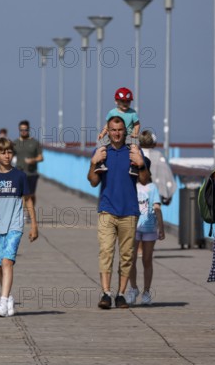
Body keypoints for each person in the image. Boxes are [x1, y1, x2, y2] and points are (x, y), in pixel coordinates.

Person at [87, 115, 149, 310]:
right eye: (113, 130)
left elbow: (145, 180)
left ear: (125, 132)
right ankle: (106, 293)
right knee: (106, 252)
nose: (116, 133)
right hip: (107, 209)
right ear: (109, 131)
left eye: (120, 130)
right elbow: (93, 181)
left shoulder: (134, 152)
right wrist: (93, 163)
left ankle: (121, 294)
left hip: (130, 211)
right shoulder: (101, 152)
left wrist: (141, 163)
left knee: (127, 255)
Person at [0, 137, 38, 316]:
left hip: (15, 224)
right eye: (3, 152)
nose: (7, 155)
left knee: (7, 262)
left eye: (9, 152)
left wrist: (33, 225)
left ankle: (3, 302)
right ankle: (8, 298)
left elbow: (28, 200)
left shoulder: (19, 175)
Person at [125, 158, 165, 306]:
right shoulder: (131, 185)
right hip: (133, 227)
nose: (139, 172)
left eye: (142, 169)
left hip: (149, 228)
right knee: (131, 259)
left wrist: (161, 227)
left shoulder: (152, 188)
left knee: (147, 260)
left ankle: (147, 291)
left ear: (148, 171)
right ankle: (133, 288)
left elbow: (157, 207)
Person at [95, 87, 141, 176]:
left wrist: (135, 133)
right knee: (101, 144)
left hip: (128, 136)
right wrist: (103, 133)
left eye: (127, 101)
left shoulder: (132, 113)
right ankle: (100, 163)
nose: (125, 103)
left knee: (135, 147)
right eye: (122, 101)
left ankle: (134, 166)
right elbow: (107, 125)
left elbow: (137, 124)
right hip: (113, 135)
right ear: (116, 101)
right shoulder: (112, 112)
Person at [139, 130, 176, 205]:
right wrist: (167, 195)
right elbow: (166, 175)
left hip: (136, 196)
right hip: (154, 197)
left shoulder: (134, 153)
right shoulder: (158, 156)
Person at [12, 120, 44, 210]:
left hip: (32, 173)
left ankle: (31, 212)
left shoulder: (34, 142)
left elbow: (41, 157)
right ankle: (22, 213)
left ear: (29, 129)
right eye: (21, 130)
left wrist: (33, 160)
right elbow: (9, 156)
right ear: (19, 130)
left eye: (25, 130)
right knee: (21, 194)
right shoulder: (15, 143)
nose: (23, 132)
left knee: (31, 195)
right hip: (19, 172)